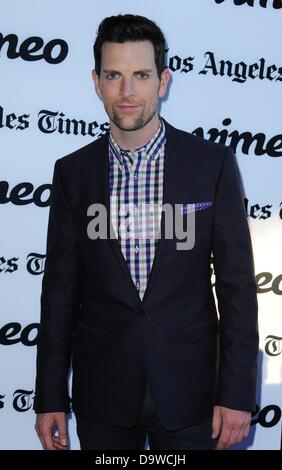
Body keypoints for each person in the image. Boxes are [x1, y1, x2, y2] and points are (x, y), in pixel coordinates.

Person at [34, 14, 258, 450]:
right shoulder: (72, 174)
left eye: (141, 74)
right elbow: (59, 291)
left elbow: (236, 288)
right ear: (96, 82)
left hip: (193, 395)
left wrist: (236, 394)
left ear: (163, 80)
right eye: (114, 75)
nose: (127, 91)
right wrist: (49, 397)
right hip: (103, 395)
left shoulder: (210, 165)